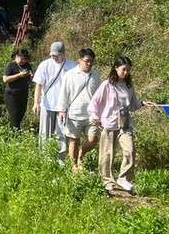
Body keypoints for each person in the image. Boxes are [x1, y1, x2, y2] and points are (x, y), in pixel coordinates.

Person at [88, 56, 157, 194]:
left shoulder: (129, 86)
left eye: (128, 70)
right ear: (116, 68)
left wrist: (142, 103)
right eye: (123, 69)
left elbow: (131, 105)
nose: (126, 72)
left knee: (130, 150)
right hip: (109, 122)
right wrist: (95, 116)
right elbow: (94, 103)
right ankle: (107, 181)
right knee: (107, 154)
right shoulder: (107, 85)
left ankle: (124, 178)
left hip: (125, 124)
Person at [32, 42, 77, 163]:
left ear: (64, 54)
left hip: (63, 107)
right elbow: (39, 85)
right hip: (47, 104)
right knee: (45, 133)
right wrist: (36, 103)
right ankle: (45, 159)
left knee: (61, 134)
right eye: (52, 55)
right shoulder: (45, 65)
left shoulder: (72, 66)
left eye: (57, 55)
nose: (55, 58)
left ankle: (60, 160)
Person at [58, 48, 101, 173]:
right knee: (73, 141)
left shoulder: (95, 75)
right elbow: (63, 94)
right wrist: (62, 111)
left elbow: (100, 94)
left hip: (91, 115)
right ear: (80, 60)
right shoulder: (70, 75)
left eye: (91, 61)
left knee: (93, 139)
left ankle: (81, 155)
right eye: (87, 61)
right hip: (74, 113)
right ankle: (74, 165)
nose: (89, 64)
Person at [2, 48, 33, 130]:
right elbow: (5, 79)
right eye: (21, 59)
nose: (23, 61)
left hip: (23, 93)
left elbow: (31, 80)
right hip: (11, 94)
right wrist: (19, 75)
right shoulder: (10, 65)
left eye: (25, 59)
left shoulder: (27, 65)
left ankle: (15, 132)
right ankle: (15, 135)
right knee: (15, 114)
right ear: (16, 56)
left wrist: (31, 76)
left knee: (21, 114)